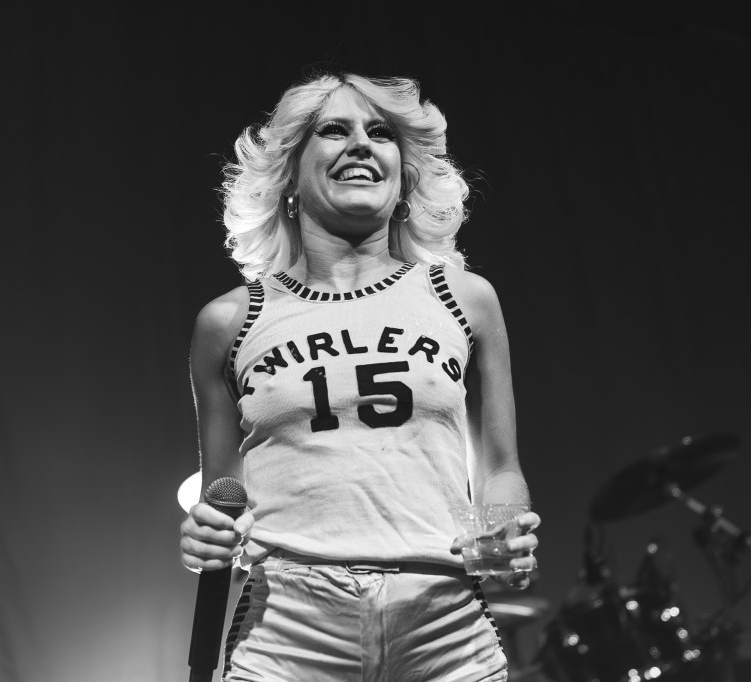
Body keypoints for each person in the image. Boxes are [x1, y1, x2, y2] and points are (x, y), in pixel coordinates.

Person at [179, 71, 540, 681]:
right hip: (289, 630)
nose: (361, 145)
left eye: (380, 133)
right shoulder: (229, 321)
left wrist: (503, 535)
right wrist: (207, 538)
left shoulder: (465, 299)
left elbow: (499, 467)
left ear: (405, 177)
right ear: (289, 175)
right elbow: (224, 492)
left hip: (445, 627)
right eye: (333, 130)